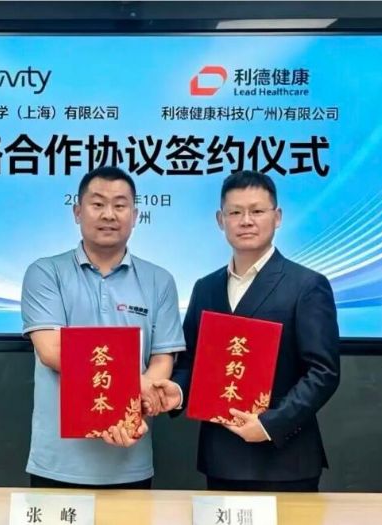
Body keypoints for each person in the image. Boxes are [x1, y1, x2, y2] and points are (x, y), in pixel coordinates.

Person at [151, 170, 340, 492]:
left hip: (284, 458)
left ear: (277, 217)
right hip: (222, 455)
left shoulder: (307, 285)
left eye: (257, 211)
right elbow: (190, 360)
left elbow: (323, 372)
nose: (246, 221)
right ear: (220, 220)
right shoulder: (206, 287)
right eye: (235, 212)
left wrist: (269, 424)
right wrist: (178, 391)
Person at [21, 166, 185, 489]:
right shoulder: (45, 273)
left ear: (135, 216)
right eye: (97, 204)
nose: (109, 214)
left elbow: (162, 359)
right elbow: (51, 351)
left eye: (120, 205)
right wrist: (134, 385)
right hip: (58, 462)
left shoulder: (160, 280)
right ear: (77, 212)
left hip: (130, 455)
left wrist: (142, 401)